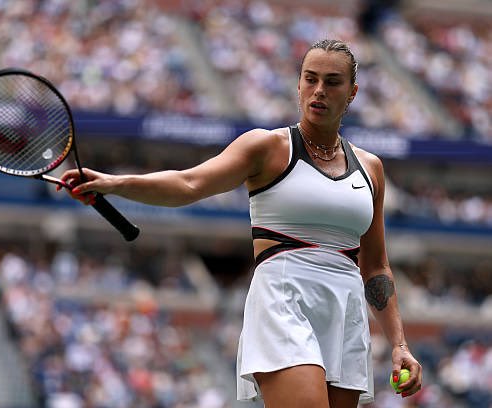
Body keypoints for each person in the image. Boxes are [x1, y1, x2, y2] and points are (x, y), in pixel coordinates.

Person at [57, 39, 423, 408]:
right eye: (310, 79)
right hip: (284, 298)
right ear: (298, 84)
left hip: (346, 311)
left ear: (352, 93)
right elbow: (189, 183)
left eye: (332, 82)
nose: (318, 90)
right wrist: (114, 183)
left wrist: (399, 344)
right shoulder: (267, 147)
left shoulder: (370, 168)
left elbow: (376, 267)